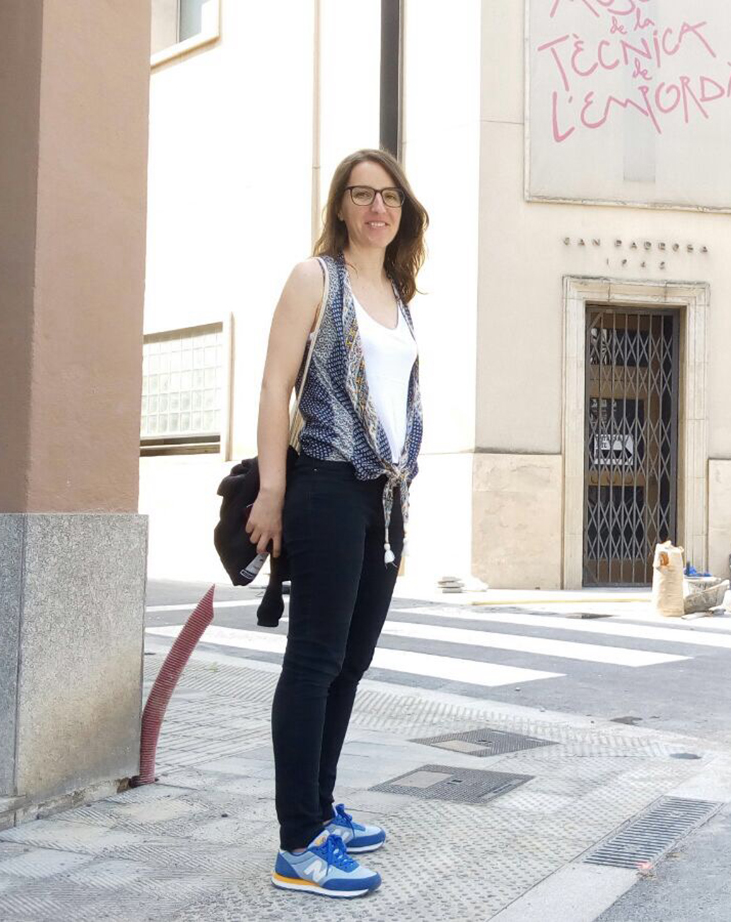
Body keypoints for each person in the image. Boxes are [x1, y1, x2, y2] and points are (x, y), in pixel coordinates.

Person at [246, 149, 428, 898]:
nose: (376, 207)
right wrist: (271, 489)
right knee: (314, 661)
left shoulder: (396, 291)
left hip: (381, 499)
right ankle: (298, 844)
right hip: (322, 486)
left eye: (388, 196)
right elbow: (274, 384)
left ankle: (321, 811)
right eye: (362, 195)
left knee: (351, 661)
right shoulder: (315, 279)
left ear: (402, 211)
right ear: (342, 206)